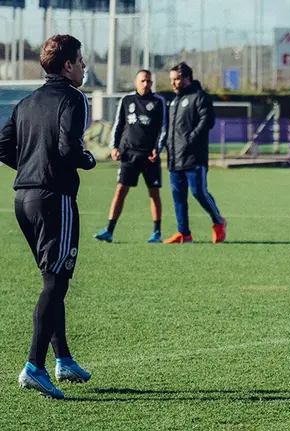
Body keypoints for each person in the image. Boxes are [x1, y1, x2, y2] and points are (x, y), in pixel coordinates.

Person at [0, 35, 96, 399]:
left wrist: (29, 168)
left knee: (51, 280)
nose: (84, 66)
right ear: (68, 65)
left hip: (23, 199)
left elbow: (2, 147)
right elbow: (69, 147)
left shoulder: (26, 101)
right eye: (81, 60)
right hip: (54, 198)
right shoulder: (73, 97)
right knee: (56, 283)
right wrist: (86, 160)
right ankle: (34, 367)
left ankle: (64, 360)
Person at [94, 70, 167, 243]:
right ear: (136, 82)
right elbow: (118, 125)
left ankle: (157, 232)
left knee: (154, 193)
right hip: (129, 154)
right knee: (120, 191)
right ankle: (109, 230)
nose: (146, 84)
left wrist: (158, 148)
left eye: (149, 81)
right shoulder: (127, 101)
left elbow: (163, 127)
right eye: (143, 81)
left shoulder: (158, 102)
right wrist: (114, 147)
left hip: (150, 156)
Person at [162, 62, 226, 244]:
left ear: (187, 78)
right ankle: (184, 233)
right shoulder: (174, 101)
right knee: (178, 196)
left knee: (199, 192)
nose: (173, 83)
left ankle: (219, 222)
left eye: (177, 79)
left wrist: (191, 139)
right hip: (175, 157)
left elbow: (207, 120)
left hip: (194, 157)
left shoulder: (200, 97)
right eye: (171, 80)